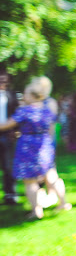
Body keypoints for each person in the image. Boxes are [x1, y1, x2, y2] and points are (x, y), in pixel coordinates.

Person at [0, 76, 71, 219]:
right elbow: (51, 130)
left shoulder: (24, 111)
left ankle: (36, 211)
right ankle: (63, 203)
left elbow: (6, 125)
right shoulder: (46, 111)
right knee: (51, 175)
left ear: (32, 95)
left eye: (25, 93)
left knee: (29, 180)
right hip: (44, 145)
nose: (23, 96)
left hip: (27, 147)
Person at [0, 71, 20, 205]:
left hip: (7, 134)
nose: (3, 83)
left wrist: (16, 130)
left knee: (8, 166)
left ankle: (10, 193)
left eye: (4, 80)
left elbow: (17, 114)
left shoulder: (11, 95)